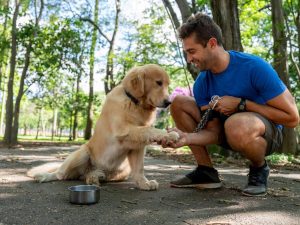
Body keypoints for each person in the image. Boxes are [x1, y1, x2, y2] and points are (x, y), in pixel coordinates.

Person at [162, 13, 299, 196]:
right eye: (186, 53)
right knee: (178, 103)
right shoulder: (202, 82)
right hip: (228, 132)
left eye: (192, 51)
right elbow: (214, 132)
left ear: (211, 43)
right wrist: (186, 138)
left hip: (266, 134)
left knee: (237, 124)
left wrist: (242, 104)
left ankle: (259, 168)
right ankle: (206, 172)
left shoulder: (254, 67)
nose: (189, 59)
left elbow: (292, 118)